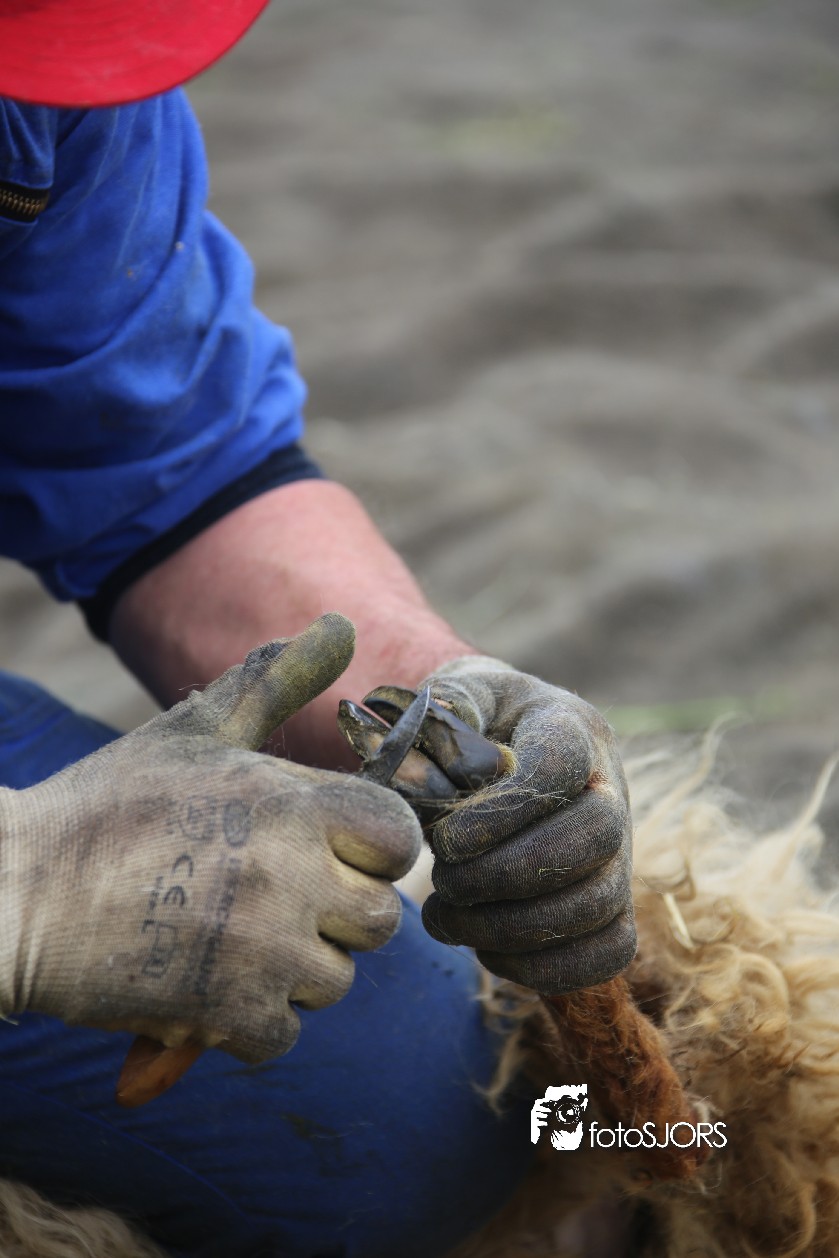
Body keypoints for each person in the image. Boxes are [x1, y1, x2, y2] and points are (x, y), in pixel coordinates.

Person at [0, 2, 636, 1254]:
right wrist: (27, 892)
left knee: (417, 1112)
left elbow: (167, 475)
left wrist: (438, 694)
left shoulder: (44, 68)